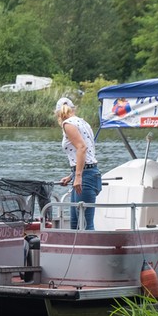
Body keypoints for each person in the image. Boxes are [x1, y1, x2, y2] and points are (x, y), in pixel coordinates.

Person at [55, 97, 101, 230]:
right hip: (88, 173)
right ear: (74, 109)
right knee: (76, 223)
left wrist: (79, 176)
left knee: (85, 223)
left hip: (85, 176)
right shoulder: (84, 123)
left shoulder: (68, 124)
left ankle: (90, 250)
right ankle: (76, 250)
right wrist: (72, 176)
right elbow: (87, 152)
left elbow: (82, 148)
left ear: (58, 113)